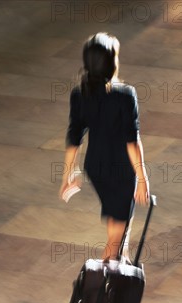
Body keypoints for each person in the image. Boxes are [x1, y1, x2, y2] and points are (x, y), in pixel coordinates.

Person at [59, 32, 150, 262]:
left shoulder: (80, 94)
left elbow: (74, 136)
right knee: (115, 238)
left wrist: (68, 173)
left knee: (117, 223)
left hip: (96, 167)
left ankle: (121, 266)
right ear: (112, 63)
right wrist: (142, 177)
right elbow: (132, 141)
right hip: (121, 170)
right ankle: (100, 289)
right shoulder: (125, 95)